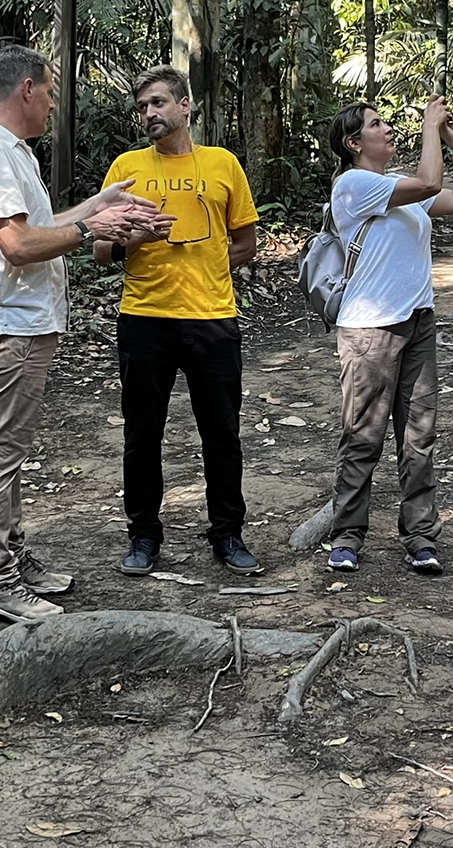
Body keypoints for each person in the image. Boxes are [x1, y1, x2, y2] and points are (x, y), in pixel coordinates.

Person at [0, 45, 164, 623]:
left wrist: (103, 203)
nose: (51, 106)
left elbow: (41, 227)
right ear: (26, 90)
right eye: (49, 93)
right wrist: (96, 226)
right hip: (12, 324)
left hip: (27, 323)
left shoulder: (10, 153)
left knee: (11, 453)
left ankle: (14, 560)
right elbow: (18, 246)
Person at [93, 65, 261, 577]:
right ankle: (143, 536)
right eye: (142, 107)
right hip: (145, 318)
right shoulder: (126, 169)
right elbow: (101, 249)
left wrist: (208, 270)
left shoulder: (223, 164)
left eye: (159, 103)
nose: (150, 114)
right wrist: (136, 239)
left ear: (186, 105)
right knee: (143, 435)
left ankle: (227, 535)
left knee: (222, 433)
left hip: (212, 318)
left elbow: (245, 243)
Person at [325, 94, 453, 576]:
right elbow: (430, 181)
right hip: (369, 327)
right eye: (377, 124)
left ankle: (421, 538)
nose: (388, 129)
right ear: (353, 143)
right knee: (363, 436)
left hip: (417, 321)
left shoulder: (397, 185)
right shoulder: (353, 184)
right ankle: (347, 537)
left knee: (418, 436)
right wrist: (430, 125)